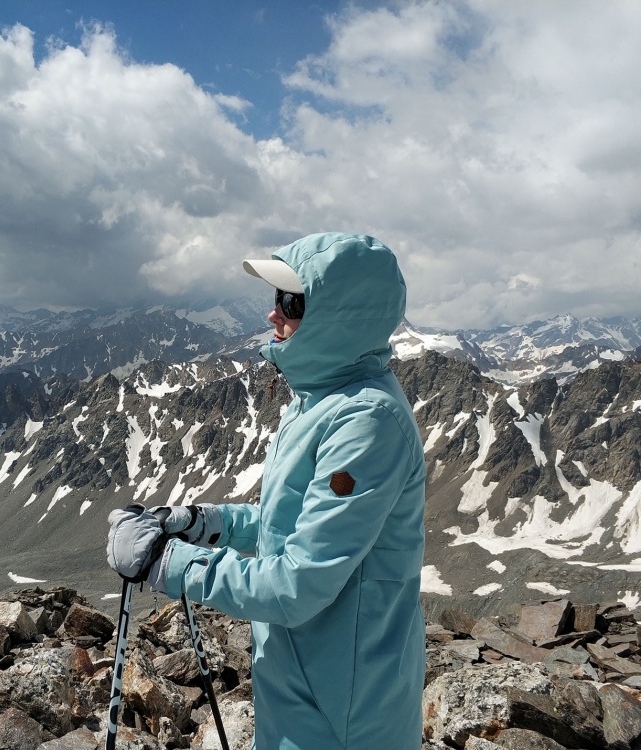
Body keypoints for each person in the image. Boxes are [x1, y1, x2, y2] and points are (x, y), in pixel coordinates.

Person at [107, 232, 426, 750]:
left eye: (291, 302)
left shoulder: (366, 420)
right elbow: (287, 522)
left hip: (343, 716)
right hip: (311, 690)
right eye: (276, 298)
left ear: (340, 319)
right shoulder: (322, 399)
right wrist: (203, 521)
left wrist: (165, 563)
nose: (273, 315)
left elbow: (298, 584)